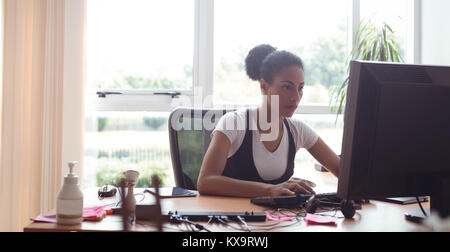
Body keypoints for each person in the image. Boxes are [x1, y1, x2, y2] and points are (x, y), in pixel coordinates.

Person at [197, 44, 340, 198]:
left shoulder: (298, 129)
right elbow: (205, 181)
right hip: (234, 219)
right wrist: (269, 190)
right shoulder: (233, 123)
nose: (295, 97)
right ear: (264, 86)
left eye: (300, 88)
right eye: (287, 87)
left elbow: (344, 173)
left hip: (279, 221)